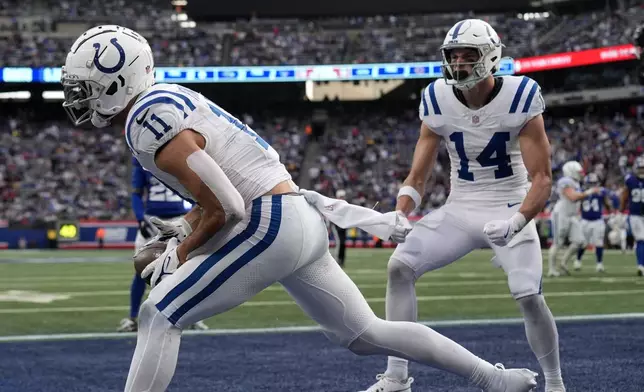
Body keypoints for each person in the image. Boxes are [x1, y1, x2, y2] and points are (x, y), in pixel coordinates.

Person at [61, 25, 539, 392]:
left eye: (85, 85)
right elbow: (217, 192)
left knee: (159, 315)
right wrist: (179, 230)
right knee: (366, 334)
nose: (77, 96)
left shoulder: (147, 118)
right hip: (294, 219)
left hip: (269, 222)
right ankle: (494, 380)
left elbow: (227, 204)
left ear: (117, 82)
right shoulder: (163, 104)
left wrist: (180, 250)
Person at [360, 19, 565, 392]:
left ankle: (554, 382)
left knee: (528, 294)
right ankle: (397, 376)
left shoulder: (521, 95)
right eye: (452, 55)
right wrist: (400, 213)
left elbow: (542, 179)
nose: (458, 63)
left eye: (468, 55)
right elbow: (416, 178)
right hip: (461, 206)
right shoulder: (436, 97)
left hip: (508, 205)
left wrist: (517, 222)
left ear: (491, 57)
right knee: (399, 268)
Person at [117, 158, 207, 332]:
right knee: (141, 269)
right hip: (152, 219)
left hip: (181, 219)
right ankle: (134, 317)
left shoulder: (178, 153)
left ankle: (192, 316)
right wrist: (139, 219)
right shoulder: (142, 160)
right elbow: (136, 193)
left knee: (188, 269)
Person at [548, 161, 600, 277]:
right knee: (558, 242)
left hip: (572, 215)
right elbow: (572, 197)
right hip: (561, 214)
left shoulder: (575, 183)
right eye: (578, 172)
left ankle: (563, 263)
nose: (581, 174)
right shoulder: (565, 181)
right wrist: (589, 191)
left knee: (580, 241)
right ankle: (551, 269)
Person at [573, 173, 612, 272]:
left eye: (594, 183)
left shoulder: (601, 192)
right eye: (590, 183)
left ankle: (599, 263)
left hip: (597, 220)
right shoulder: (582, 192)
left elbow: (607, 203)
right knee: (583, 243)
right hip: (585, 220)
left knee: (599, 243)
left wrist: (609, 209)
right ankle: (578, 260)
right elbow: (577, 203)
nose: (592, 185)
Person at [621, 156, 644, 276]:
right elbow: (624, 196)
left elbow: (624, 197)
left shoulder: (630, 179)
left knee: (641, 239)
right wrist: (622, 208)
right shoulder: (630, 180)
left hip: (637, 213)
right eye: (640, 169)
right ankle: (641, 265)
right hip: (635, 214)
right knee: (641, 239)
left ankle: (641, 265)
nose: (642, 171)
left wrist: (622, 207)